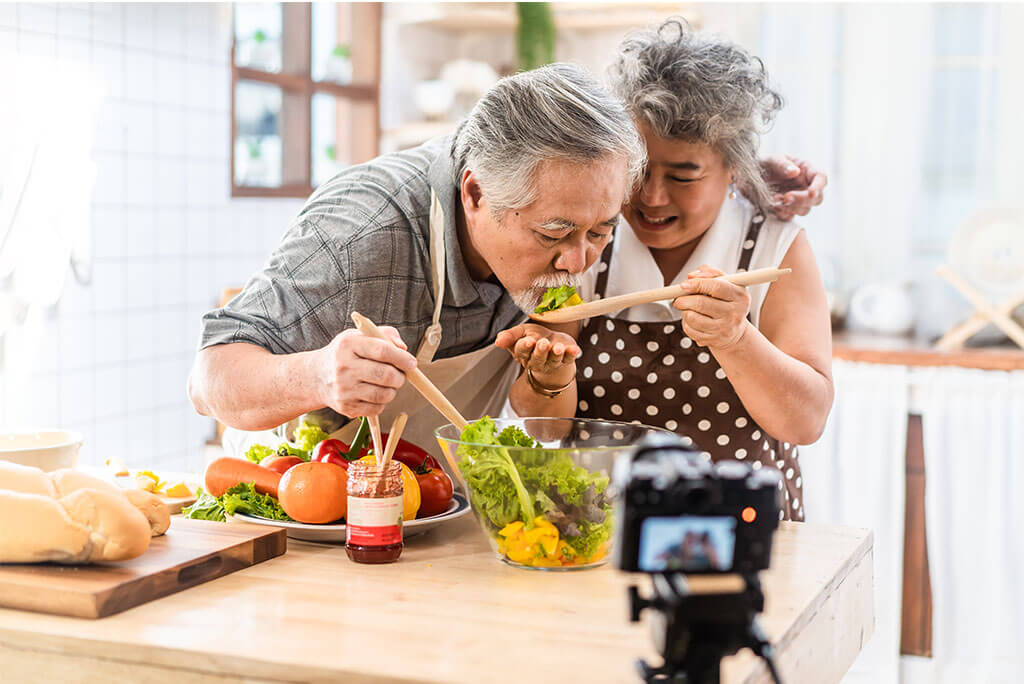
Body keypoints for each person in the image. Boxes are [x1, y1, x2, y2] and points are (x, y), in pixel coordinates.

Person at [188, 63, 646, 452]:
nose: (578, 262)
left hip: (441, 504)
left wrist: (549, 378)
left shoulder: (568, 231)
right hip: (308, 500)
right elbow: (207, 382)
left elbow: (543, 427)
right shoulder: (361, 234)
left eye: (601, 231)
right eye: (553, 234)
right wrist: (317, 375)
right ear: (475, 194)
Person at [496, 20, 834, 521]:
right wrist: (549, 377)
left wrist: (735, 338)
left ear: (735, 168)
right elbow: (545, 429)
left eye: (683, 175)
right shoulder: (588, 239)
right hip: (597, 534)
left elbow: (806, 422)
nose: (653, 197)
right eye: (638, 170)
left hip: (738, 532)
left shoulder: (772, 245)